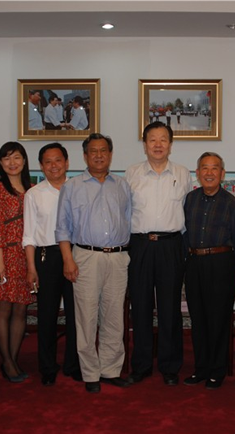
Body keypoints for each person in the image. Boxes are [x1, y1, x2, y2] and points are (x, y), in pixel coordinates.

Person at [56, 133, 132, 394]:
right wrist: (68, 259)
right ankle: (89, 373)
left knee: (114, 316)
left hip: (118, 257)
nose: (99, 155)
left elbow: (128, 221)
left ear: (110, 154)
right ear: (85, 156)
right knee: (86, 317)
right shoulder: (72, 187)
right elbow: (62, 227)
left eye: (103, 151)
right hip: (85, 257)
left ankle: (110, 369)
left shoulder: (122, 185)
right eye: (93, 151)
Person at [125, 121, 191, 386]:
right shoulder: (132, 173)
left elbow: (187, 210)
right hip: (140, 245)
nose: (158, 144)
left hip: (171, 245)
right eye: (152, 139)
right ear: (144, 145)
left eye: (163, 139)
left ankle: (170, 365)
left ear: (170, 144)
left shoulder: (183, 173)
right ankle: (140, 365)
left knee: (170, 308)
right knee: (140, 307)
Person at [183, 152, 235, 390]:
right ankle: (201, 369)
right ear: (197, 173)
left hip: (221, 263)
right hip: (194, 263)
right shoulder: (190, 199)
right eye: (204, 168)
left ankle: (217, 371)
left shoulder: (232, 204)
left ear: (222, 173)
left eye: (214, 168)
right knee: (198, 319)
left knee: (218, 320)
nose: (209, 173)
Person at [23, 143, 81, 387]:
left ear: (67, 163)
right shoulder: (34, 194)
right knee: (46, 315)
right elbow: (28, 235)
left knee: (76, 315)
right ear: (41, 166)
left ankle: (73, 364)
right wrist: (31, 268)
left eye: (58, 160)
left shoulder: (78, 189)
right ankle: (47, 366)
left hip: (76, 256)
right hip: (46, 257)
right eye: (48, 161)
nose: (53, 165)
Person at [0, 141, 34, 383]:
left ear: (24, 160)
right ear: (0, 163)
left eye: (16, 157)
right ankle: (7, 362)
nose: (12, 163)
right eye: (6, 158)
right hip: (3, 255)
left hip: (25, 257)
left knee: (21, 309)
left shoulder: (31, 189)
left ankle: (12, 359)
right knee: (3, 310)